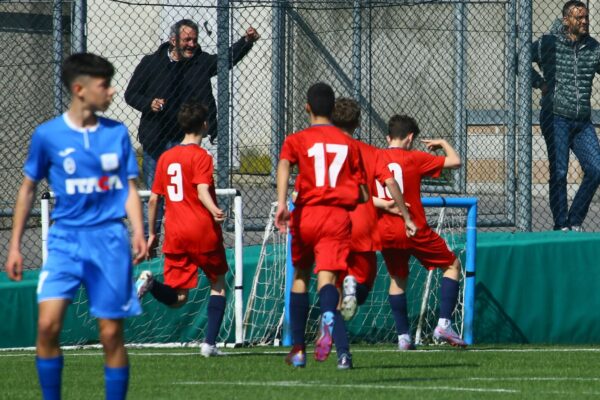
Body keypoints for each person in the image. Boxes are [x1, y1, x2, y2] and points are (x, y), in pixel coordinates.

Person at [5, 53, 146, 400]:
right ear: (80, 89)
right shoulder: (48, 135)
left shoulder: (117, 134)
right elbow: (27, 188)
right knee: (47, 326)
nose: (112, 92)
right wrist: (14, 245)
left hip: (109, 240)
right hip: (65, 241)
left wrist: (140, 230)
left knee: (111, 334)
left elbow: (129, 186)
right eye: (105, 85)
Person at [125, 19, 259, 249]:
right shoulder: (151, 63)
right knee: (155, 195)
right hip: (156, 139)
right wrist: (150, 103)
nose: (191, 44)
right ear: (173, 40)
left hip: (185, 141)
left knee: (185, 196)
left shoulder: (200, 62)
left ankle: (183, 243)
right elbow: (131, 94)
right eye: (186, 39)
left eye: (194, 40)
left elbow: (224, 60)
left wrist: (245, 42)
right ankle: (149, 245)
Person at [275, 83, 368, 370]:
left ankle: (299, 350)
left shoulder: (297, 139)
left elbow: (284, 164)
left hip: (306, 214)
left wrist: (281, 203)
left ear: (307, 107)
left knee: (300, 277)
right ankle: (329, 318)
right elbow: (363, 192)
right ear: (333, 110)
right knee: (328, 282)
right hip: (336, 218)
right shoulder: (350, 144)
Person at [135, 101, 229, 358]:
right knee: (218, 283)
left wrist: (152, 233)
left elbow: (154, 199)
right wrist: (214, 210)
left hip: (175, 233)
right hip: (202, 231)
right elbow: (201, 190)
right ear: (205, 125)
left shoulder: (166, 158)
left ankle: (150, 284)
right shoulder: (201, 156)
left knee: (178, 299)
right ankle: (209, 344)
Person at [328, 98, 416, 366]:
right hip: (362, 226)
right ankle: (354, 290)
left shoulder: (323, 150)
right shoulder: (371, 152)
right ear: (357, 123)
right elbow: (389, 182)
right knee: (362, 286)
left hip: (331, 225)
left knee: (333, 296)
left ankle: (343, 355)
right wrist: (405, 214)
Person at [375, 114, 465, 349]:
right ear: (411, 138)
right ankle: (444, 324)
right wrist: (443, 143)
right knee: (452, 265)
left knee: (397, 280)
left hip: (386, 231)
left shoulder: (375, 157)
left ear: (388, 137)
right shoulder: (414, 157)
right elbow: (455, 162)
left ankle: (403, 337)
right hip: (413, 227)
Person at [532, 0, 600, 231]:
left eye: (585, 17)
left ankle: (575, 221)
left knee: (596, 169)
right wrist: (539, 82)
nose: (584, 21)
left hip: (582, 121)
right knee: (559, 171)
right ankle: (561, 224)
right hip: (555, 117)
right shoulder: (548, 43)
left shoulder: (593, 47)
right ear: (565, 20)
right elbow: (519, 60)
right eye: (578, 18)